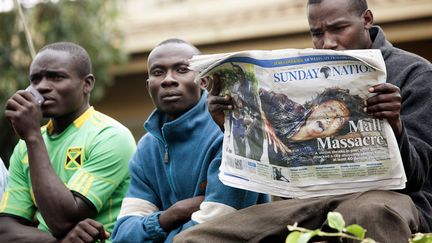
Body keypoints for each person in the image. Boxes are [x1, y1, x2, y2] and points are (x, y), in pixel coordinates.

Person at [174, 0, 432, 242]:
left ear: (366, 19)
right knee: (196, 238)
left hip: (389, 199)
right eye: (317, 33)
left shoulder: (415, 73)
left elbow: (417, 177)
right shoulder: (304, 83)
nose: (327, 43)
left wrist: (395, 124)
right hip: (307, 202)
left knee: (368, 214)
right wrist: (228, 121)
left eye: (338, 28)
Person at [111, 38, 268, 243]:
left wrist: (153, 233)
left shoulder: (230, 132)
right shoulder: (146, 148)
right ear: (149, 86)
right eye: (158, 73)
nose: (168, 80)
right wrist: (172, 214)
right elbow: (123, 235)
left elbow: (217, 229)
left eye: (182, 70)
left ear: (203, 81)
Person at [0, 42, 136, 242]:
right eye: (35, 79)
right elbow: (5, 229)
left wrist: (32, 136)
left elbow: (61, 220)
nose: (43, 86)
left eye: (56, 77)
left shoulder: (111, 136)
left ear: (87, 84)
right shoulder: (25, 146)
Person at [260, 87, 365, 167]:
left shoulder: (316, 158)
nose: (331, 118)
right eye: (331, 109)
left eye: (340, 119)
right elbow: (254, 92)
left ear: (335, 133)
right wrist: (264, 120)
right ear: (315, 107)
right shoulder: (288, 108)